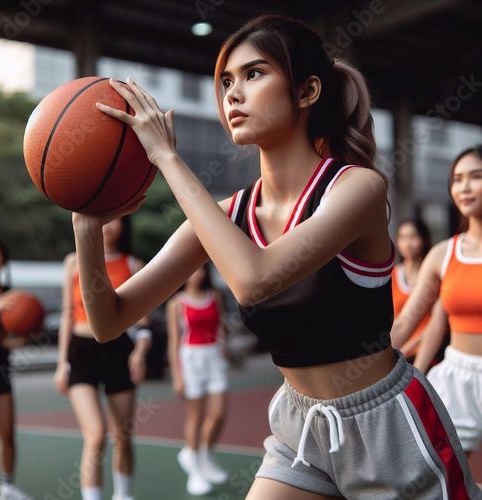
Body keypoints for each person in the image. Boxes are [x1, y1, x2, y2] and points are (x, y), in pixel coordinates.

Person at [71, 14, 481, 498]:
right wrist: (87, 224)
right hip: (299, 426)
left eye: (254, 74)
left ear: (307, 92)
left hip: (386, 426)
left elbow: (255, 279)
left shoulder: (358, 188)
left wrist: (166, 158)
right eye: (225, 80)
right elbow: (108, 320)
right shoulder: (229, 214)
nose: (232, 93)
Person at [392, 144, 482, 462]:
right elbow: (407, 321)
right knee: (440, 475)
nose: (465, 186)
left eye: (475, 177)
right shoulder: (444, 254)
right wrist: (357, 363)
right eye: (457, 179)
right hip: (458, 379)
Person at [53, 216, 152, 500]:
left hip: (118, 350)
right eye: (104, 219)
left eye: (116, 220)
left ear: (124, 225)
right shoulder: (73, 261)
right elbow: (67, 314)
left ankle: (123, 495)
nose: (109, 225)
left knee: (123, 437)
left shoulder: (133, 265)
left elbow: (144, 323)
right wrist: (62, 364)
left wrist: (140, 352)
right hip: (80, 350)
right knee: (95, 435)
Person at [166, 263, 229, 495]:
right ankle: (194, 470)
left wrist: (224, 347)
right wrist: (177, 375)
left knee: (219, 414)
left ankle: (203, 457)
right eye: (193, 270)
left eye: (202, 269)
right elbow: (174, 341)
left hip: (214, 357)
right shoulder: (177, 303)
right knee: (196, 417)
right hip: (191, 359)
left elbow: (221, 326)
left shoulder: (215, 296)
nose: (198, 274)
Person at [0, 236, 33, 500]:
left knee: (7, 431)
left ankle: (7, 487)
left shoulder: (11, 297)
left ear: (4, 260)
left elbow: (8, 339)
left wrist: (21, 339)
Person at [392, 216, 440, 363]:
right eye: (403, 237)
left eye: (413, 236)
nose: (408, 243)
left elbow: (436, 323)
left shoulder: (434, 276)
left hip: (426, 352)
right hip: (395, 349)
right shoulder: (391, 275)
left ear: (424, 239)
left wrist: (407, 349)